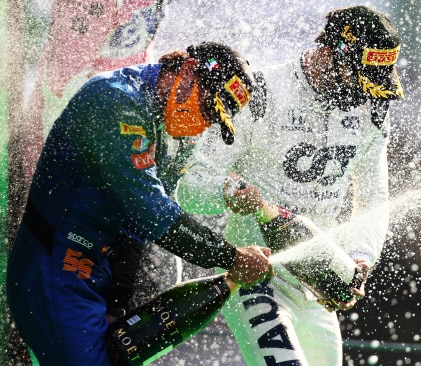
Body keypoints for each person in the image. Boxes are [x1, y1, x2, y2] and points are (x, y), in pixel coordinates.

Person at [5, 41, 274, 366]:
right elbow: (154, 215)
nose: (203, 124)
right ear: (188, 71)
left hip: (95, 272)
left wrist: (116, 306)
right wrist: (230, 257)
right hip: (54, 266)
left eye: (213, 120)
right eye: (206, 108)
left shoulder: (174, 131)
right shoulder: (116, 98)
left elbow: (136, 232)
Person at [176, 6, 403, 365]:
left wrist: (361, 258)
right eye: (358, 76)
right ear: (330, 54)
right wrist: (228, 194)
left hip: (315, 281)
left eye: (374, 78)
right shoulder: (261, 93)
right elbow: (189, 188)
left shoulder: (373, 108)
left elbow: (374, 197)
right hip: (256, 275)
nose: (365, 92)